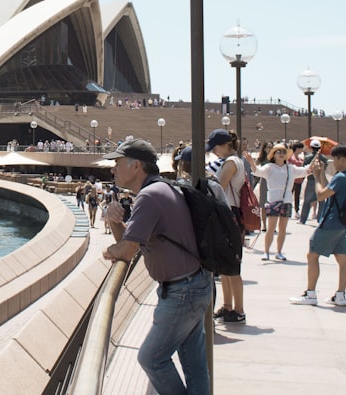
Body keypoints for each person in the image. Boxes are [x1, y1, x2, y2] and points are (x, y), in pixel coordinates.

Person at [102, 138, 211, 395]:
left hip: (182, 292)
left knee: (151, 358)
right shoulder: (160, 190)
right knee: (194, 366)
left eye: (117, 163)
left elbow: (126, 251)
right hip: (194, 284)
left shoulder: (149, 197)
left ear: (136, 166)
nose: (112, 169)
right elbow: (133, 243)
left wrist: (108, 251)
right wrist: (115, 221)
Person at [290, 145, 346, 307]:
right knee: (342, 258)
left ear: (342, 159)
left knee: (312, 255)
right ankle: (341, 295)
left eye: (335, 159)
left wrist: (319, 176)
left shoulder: (341, 177)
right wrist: (320, 175)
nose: (334, 163)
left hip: (330, 222)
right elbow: (329, 189)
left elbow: (320, 195)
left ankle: (310, 293)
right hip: (342, 223)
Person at [206, 128, 247, 324]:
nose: (214, 152)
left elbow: (218, 188)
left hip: (230, 215)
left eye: (215, 148)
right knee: (225, 266)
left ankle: (238, 309)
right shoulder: (232, 161)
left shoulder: (231, 163)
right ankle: (228, 306)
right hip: (227, 214)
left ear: (224, 146)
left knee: (233, 265)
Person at [254, 143, 311, 261]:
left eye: (283, 152)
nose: (281, 154)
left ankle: (279, 252)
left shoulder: (290, 168)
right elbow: (257, 171)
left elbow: (305, 171)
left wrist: (312, 166)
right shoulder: (269, 167)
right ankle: (266, 252)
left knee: (283, 228)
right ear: (273, 155)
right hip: (273, 199)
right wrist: (250, 162)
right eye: (278, 152)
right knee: (271, 227)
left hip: (286, 200)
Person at [299, 139, 328, 224]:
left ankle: (303, 219)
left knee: (307, 201)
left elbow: (304, 168)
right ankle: (320, 219)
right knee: (321, 201)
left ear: (311, 147)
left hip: (311, 180)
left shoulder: (307, 157)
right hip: (321, 180)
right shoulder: (324, 158)